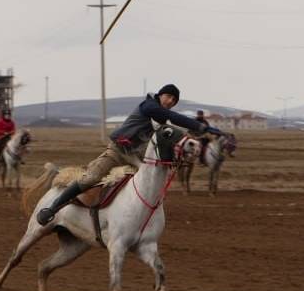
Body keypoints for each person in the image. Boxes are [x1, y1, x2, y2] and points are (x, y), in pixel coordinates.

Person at [36, 84, 219, 225]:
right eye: (169, 96)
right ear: (160, 95)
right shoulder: (149, 106)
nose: (171, 101)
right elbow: (179, 119)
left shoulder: (162, 117)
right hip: (117, 151)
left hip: (135, 156)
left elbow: (172, 131)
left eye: (174, 100)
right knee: (91, 178)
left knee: (150, 181)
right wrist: (201, 126)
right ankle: (52, 208)